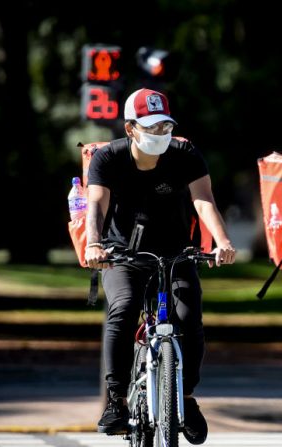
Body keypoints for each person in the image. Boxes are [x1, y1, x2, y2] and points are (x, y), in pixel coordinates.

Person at [84, 87, 236, 444]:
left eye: (165, 126)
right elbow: (96, 207)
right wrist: (94, 244)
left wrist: (223, 242)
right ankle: (116, 399)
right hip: (123, 255)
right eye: (150, 128)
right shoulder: (108, 158)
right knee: (123, 309)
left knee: (188, 316)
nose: (159, 135)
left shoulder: (185, 154)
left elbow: (204, 201)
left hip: (177, 254)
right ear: (130, 129)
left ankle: (185, 397)